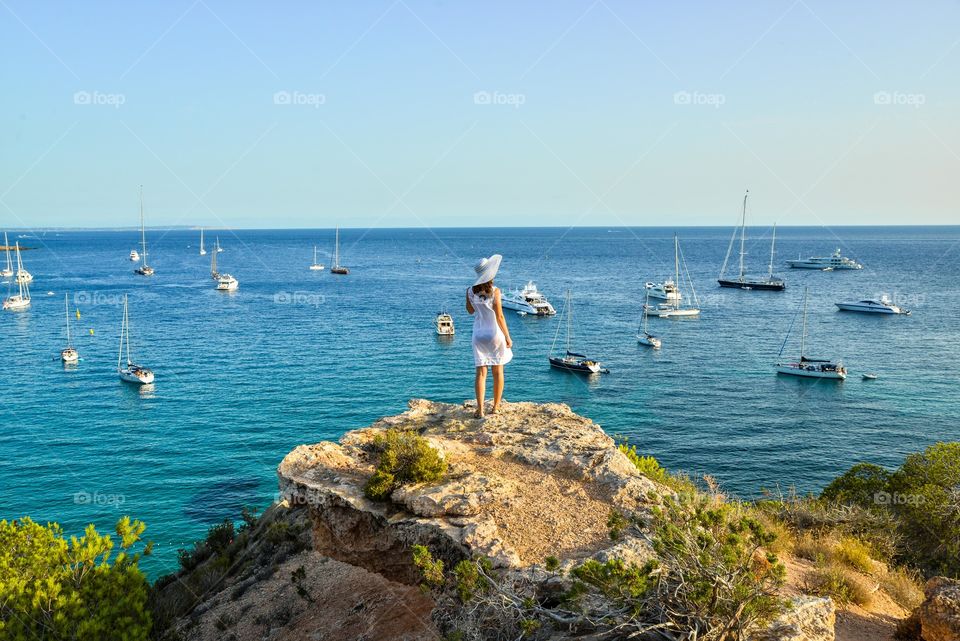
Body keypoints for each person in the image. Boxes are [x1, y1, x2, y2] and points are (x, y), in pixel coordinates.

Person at [466, 255, 513, 418]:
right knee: (498, 371)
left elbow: (470, 311)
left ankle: (479, 410)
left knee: (480, 373)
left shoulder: (470, 291)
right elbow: (500, 316)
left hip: (478, 335)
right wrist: (507, 337)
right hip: (494, 334)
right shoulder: (495, 291)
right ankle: (496, 407)